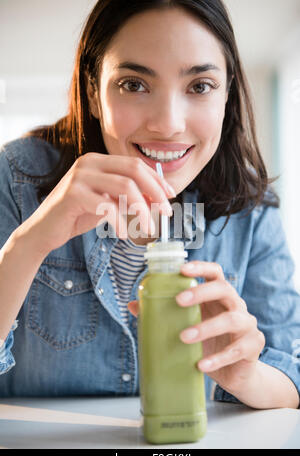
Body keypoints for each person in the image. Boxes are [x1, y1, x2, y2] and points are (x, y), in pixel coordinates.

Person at [0, 0, 299, 409]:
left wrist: (248, 374)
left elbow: (292, 372)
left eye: (199, 86)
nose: (168, 124)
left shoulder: (253, 208)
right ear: (92, 93)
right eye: (133, 84)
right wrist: (27, 245)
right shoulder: (16, 177)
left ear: (226, 96)